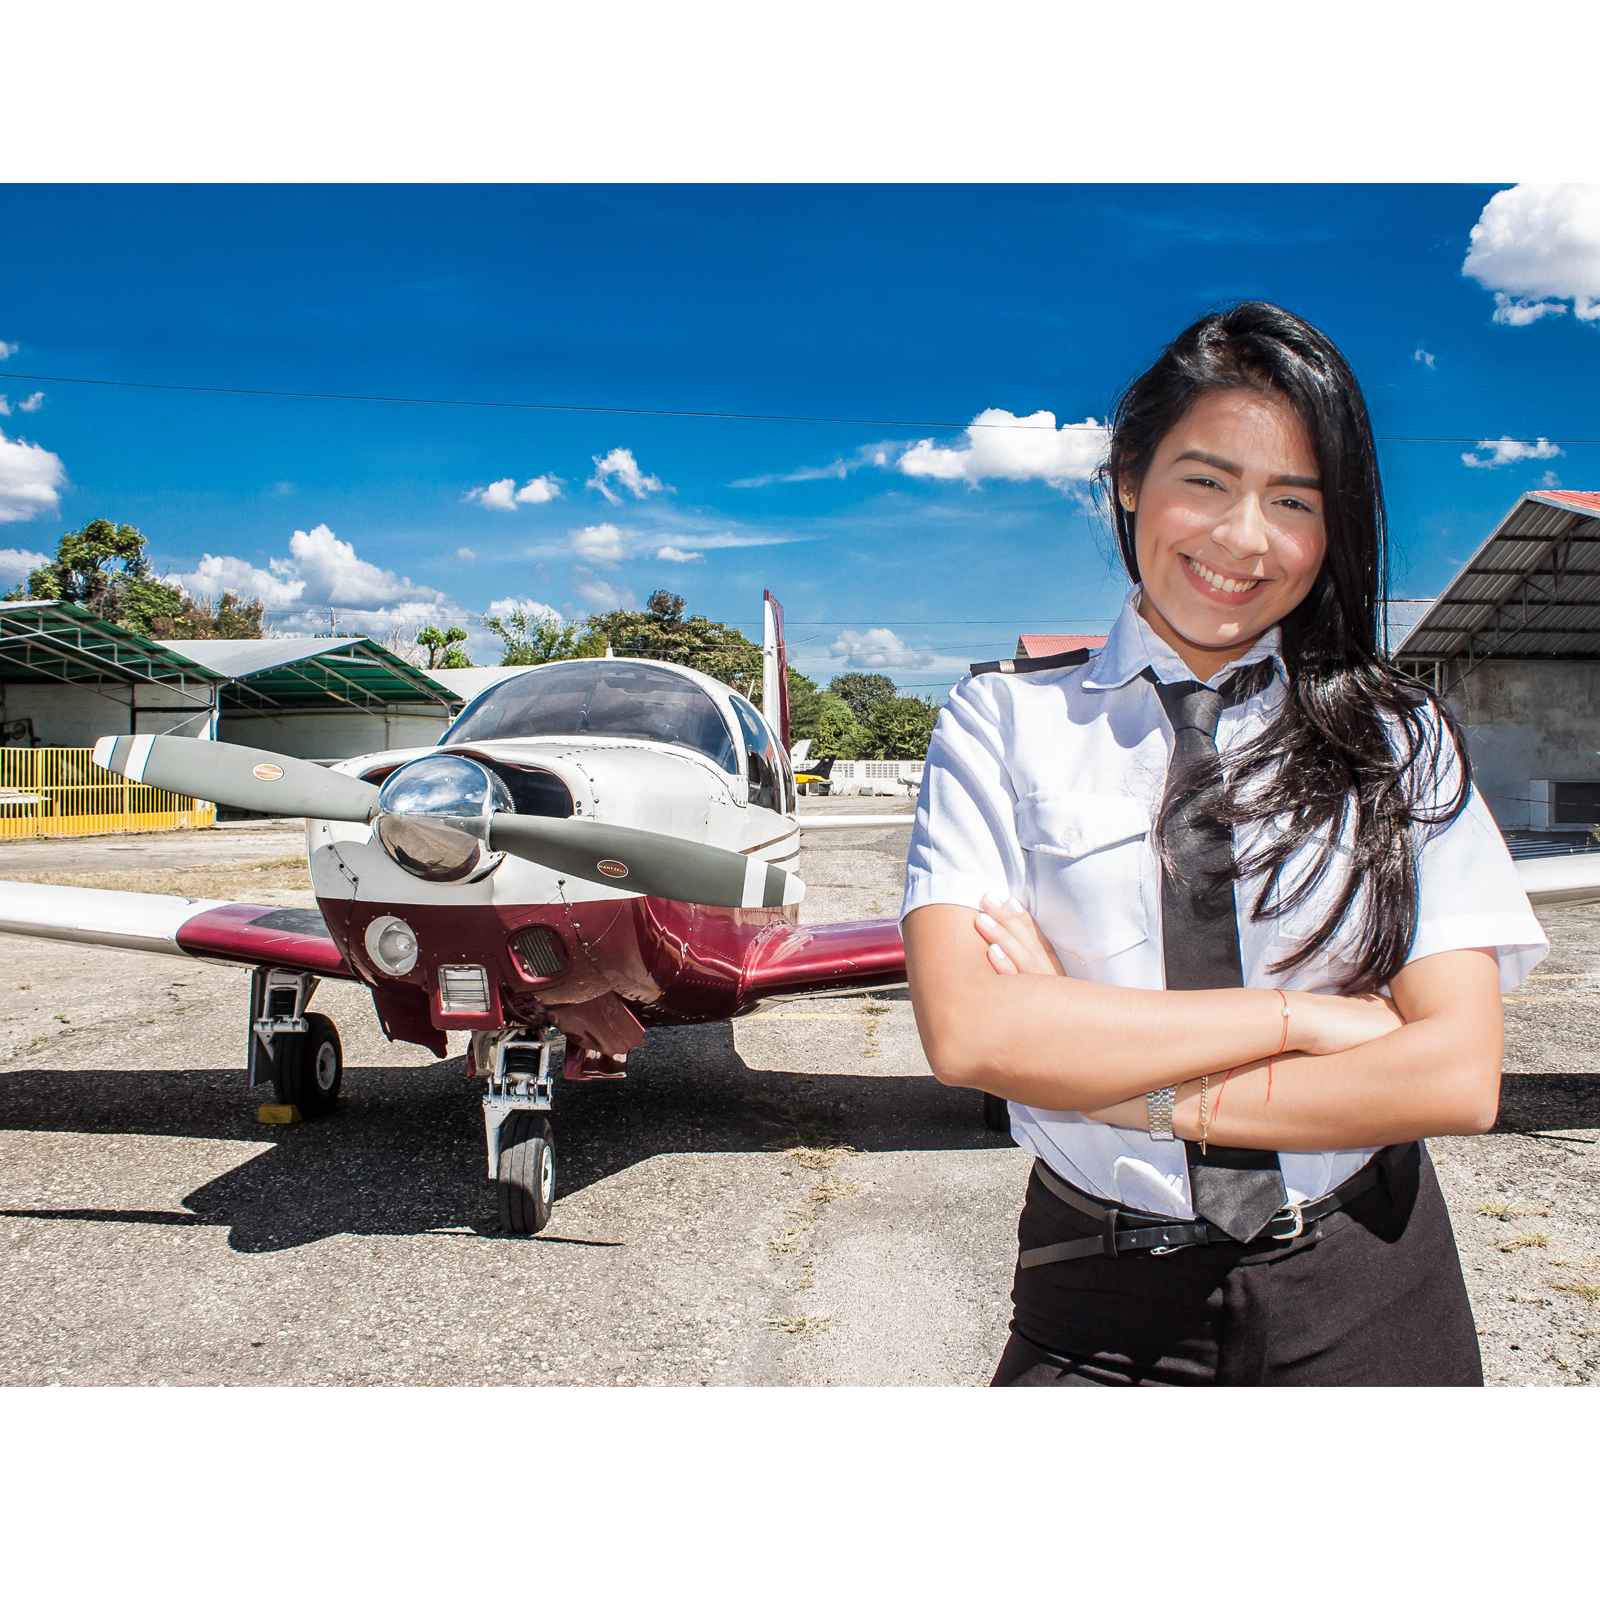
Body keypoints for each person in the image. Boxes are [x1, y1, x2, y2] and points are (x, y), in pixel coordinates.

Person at [901, 302, 1548, 1386]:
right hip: (1097, 1302)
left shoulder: (1399, 735)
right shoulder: (999, 723)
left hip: (1369, 1279)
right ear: (1125, 479)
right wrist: (1306, 1019)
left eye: (1293, 500)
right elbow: (969, 1032)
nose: (1245, 538)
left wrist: (1121, 1082)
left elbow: (1453, 1072)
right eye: (1205, 481)